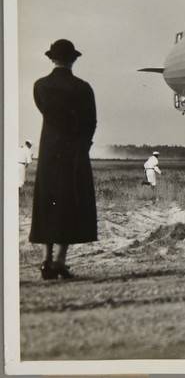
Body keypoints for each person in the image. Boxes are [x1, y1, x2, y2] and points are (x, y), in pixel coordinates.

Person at [30, 39, 97, 280]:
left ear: (51, 58)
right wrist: (83, 146)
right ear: (74, 59)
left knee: (47, 202)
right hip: (74, 152)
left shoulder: (40, 86)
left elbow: (46, 111)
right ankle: (60, 260)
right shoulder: (83, 87)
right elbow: (91, 121)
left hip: (49, 151)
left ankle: (45, 260)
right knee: (69, 202)